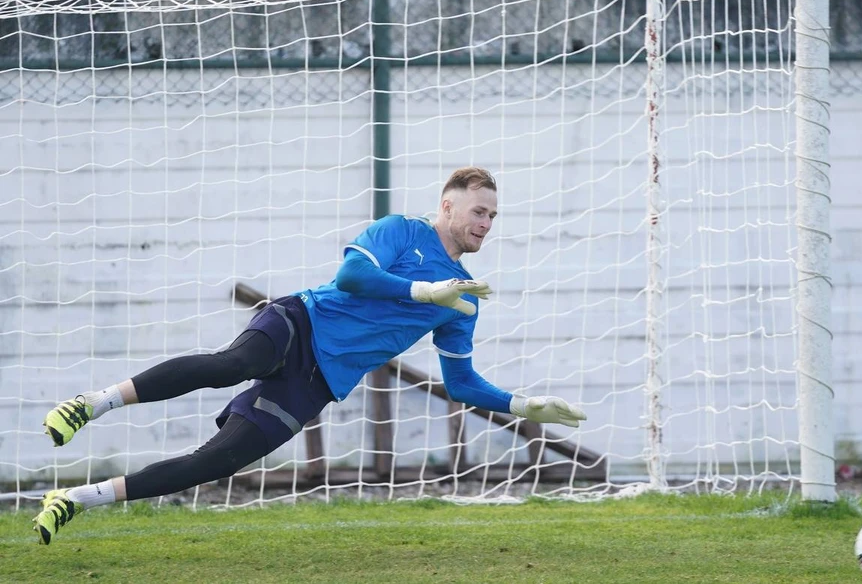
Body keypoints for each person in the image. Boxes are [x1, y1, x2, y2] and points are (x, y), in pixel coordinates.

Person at [34, 166, 587, 545]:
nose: (486, 224)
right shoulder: (401, 231)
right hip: (299, 322)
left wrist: (524, 405)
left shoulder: (466, 297)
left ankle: (78, 498)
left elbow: (461, 385)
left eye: (493, 217)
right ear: (448, 205)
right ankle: (95, 402)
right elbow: (352, 274)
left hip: (316, 382)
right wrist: (422, 290)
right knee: (234, 365)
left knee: (217, 463)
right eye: (479, 211)